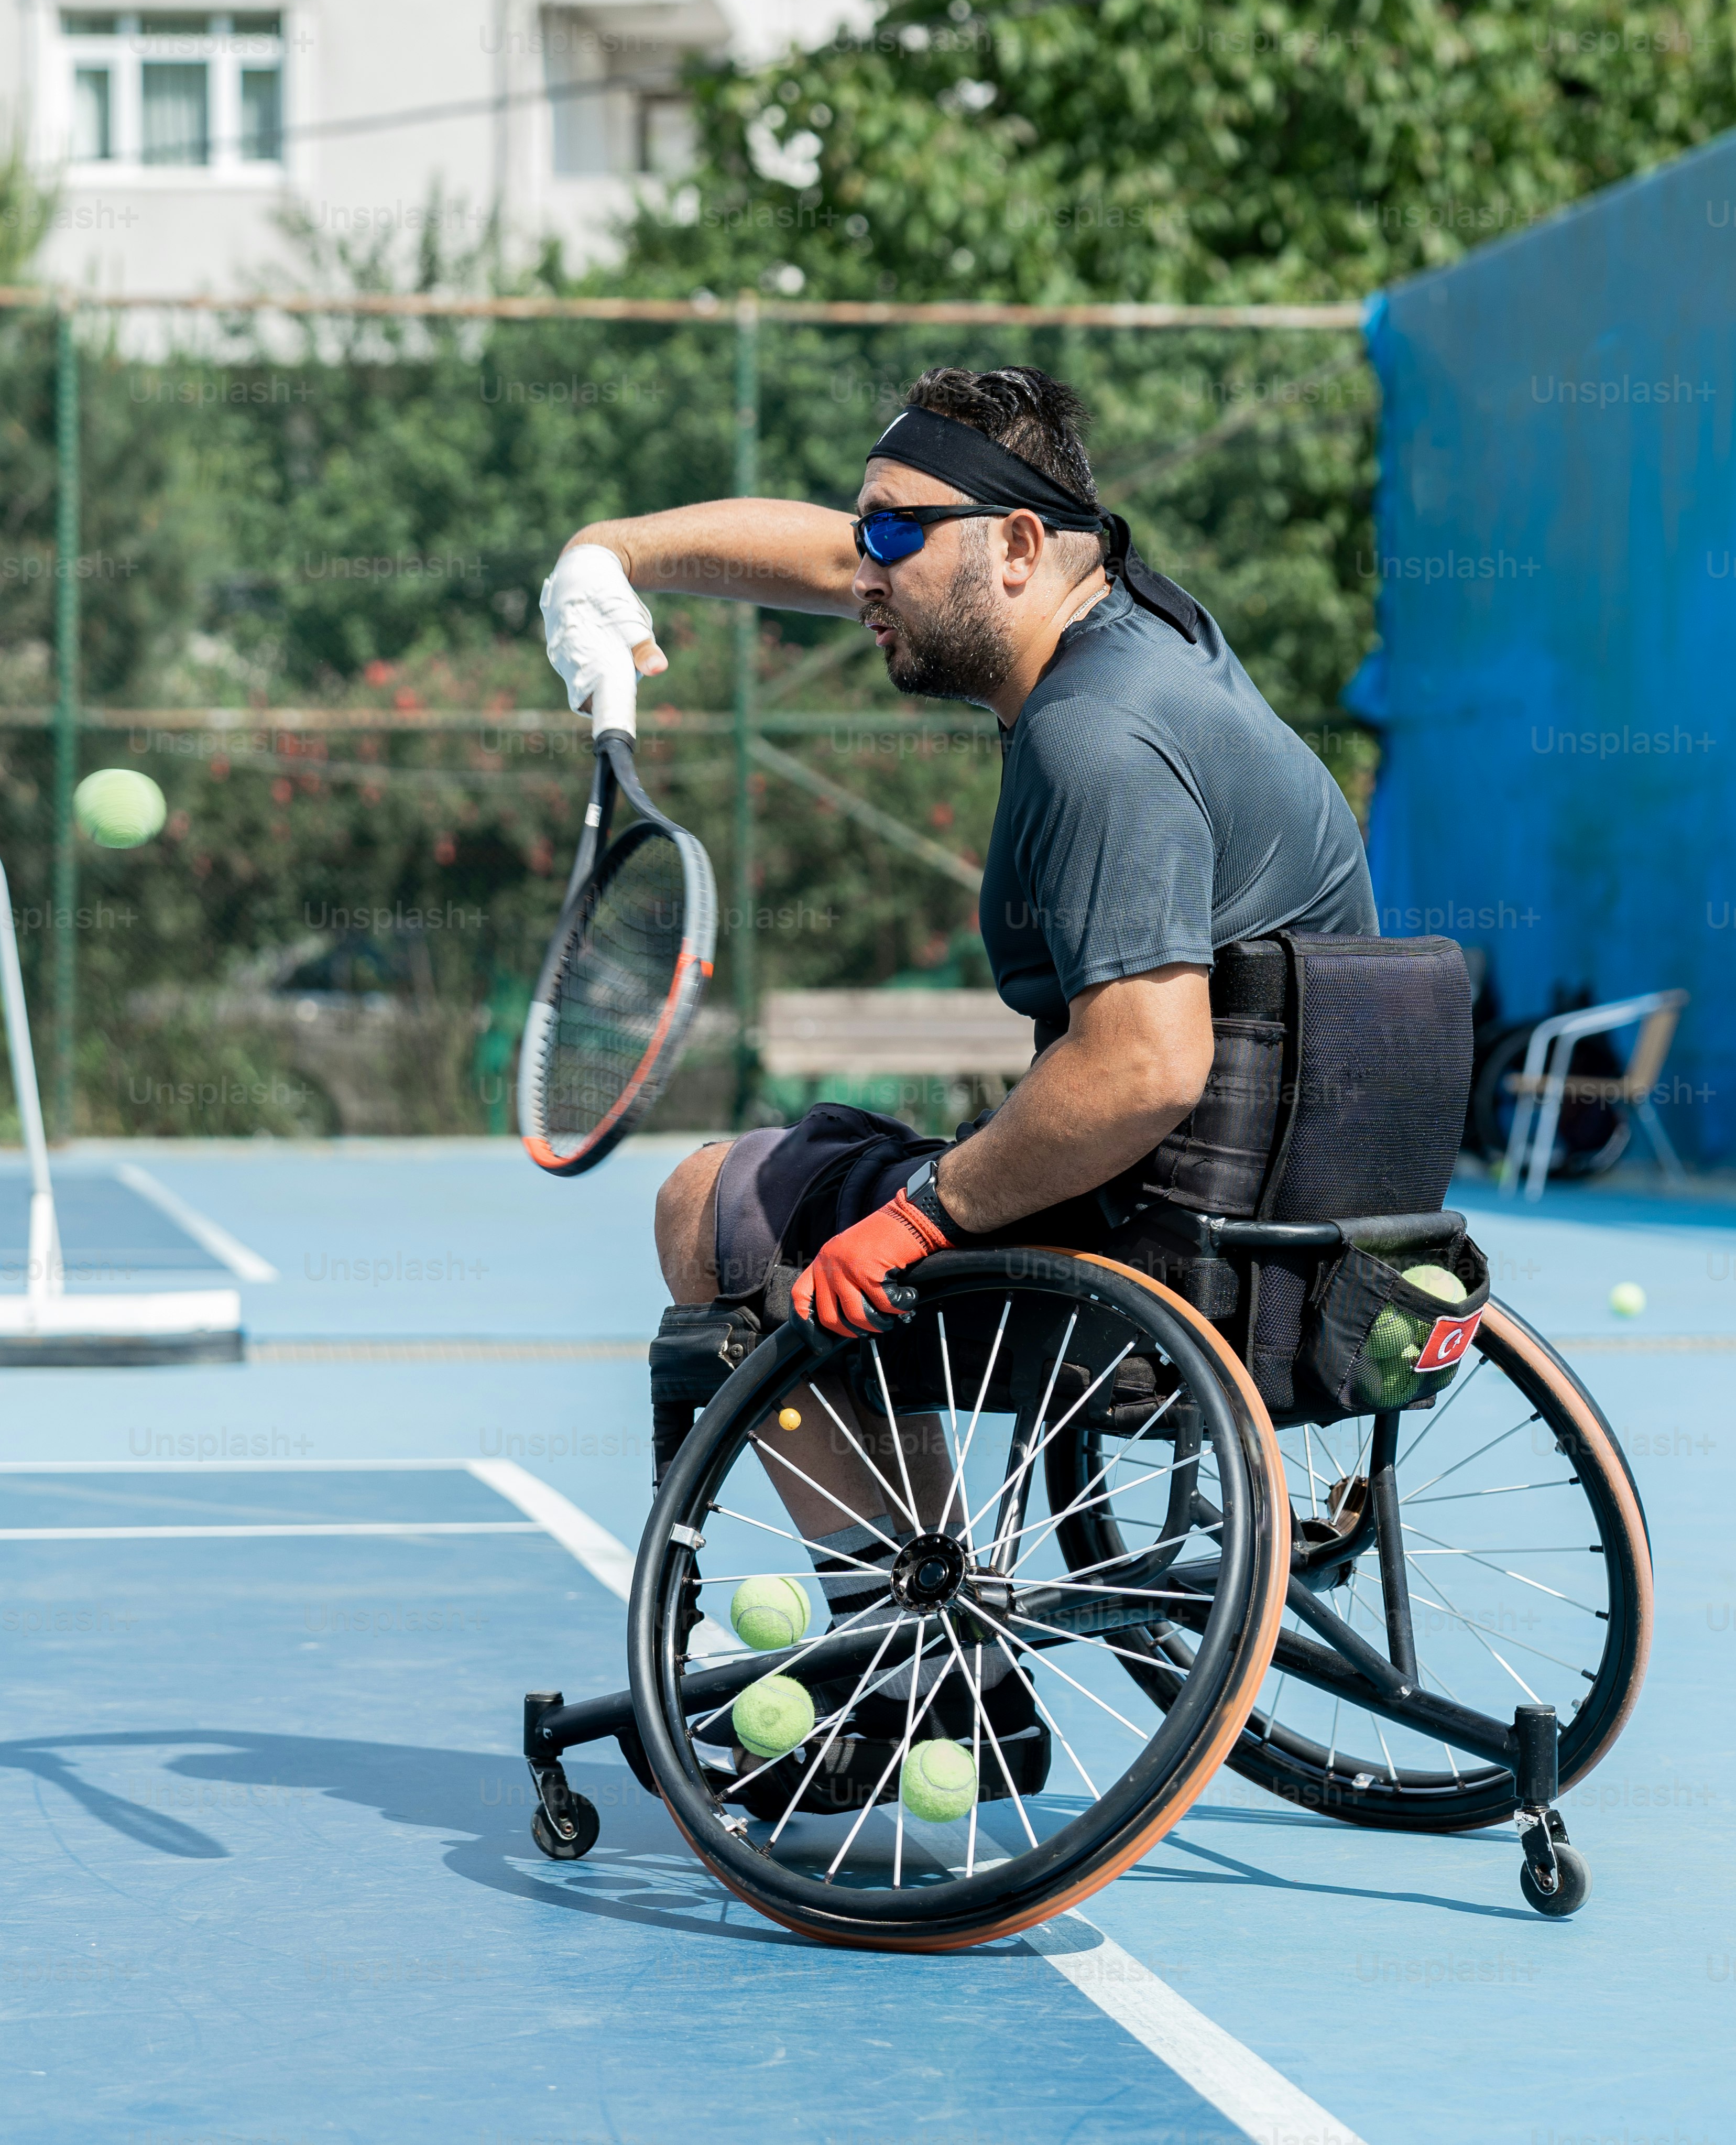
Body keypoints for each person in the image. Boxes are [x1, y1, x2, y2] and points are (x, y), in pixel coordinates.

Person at [542, 364, 1373, 1560]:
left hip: (1164, 1265)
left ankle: (920, 1664)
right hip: (1296, 1244)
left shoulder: (1095, 740)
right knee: (826, 1168)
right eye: (865, 529)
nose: (862, 568)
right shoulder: (1150, 629)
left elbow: (1143, 1067)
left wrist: (920, 1218)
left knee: (719, 1208)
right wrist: (609, 554)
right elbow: (830, 560)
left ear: (1021, 542)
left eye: (893, 532)